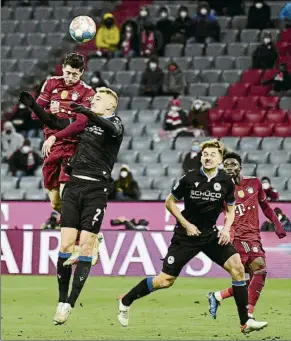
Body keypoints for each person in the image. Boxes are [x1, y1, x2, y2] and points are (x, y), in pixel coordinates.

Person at [117, 139, 268, 334]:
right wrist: (186, 224)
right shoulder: (189, 178)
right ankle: (126, 300)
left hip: (211, 235)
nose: (208, 157)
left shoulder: (225, 182)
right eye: (205, 154)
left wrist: (226, 228)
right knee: (165, 281)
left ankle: (245, 322)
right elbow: (169, 202)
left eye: (213, 154)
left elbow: (230, 209)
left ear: (220, 159)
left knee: (238, 269)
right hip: (186, 236)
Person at [19, 87, 124, 325]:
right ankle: (61, 300)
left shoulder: (115, 123)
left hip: (97, 190)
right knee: (66, 243)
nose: (94, 99)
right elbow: (55, 122)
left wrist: (88, 112)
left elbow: (111, 128)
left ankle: (70, 303)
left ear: (110, 106)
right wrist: (34, 106)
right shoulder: (85, 121)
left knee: (85, 247)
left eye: (99, 98)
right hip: (74, 186)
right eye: (93, 97)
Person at [208, 152, 286, 320]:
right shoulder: (220, 189)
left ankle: (217, 296)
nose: (229, 168)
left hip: (253, 235)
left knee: (250, 280)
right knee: (260, 269)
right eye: (226, 165)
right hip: (237, 235)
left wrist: (276, 223)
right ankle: (248, 314)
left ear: (239, 168)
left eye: (232, 164)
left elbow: (265, 206)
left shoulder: (254, 183)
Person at [33, 53, 95, 214]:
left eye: (74, 74)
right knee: (55, 203)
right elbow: (34, 114)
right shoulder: (51, 83)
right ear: (62, 69)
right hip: (51, 147)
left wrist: (56, 134)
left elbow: (80, 123)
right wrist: (48, 111)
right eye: (67, 72)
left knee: (65, 195)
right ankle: (80, 224)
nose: (69, 77)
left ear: (81, 72)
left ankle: (84, 231)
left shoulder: (87, 92)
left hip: (73, 146)